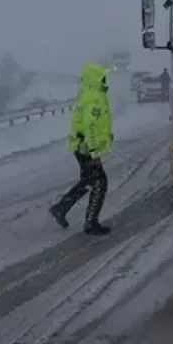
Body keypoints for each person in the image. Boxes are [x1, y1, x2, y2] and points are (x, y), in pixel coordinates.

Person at [50, 62, 114, 235]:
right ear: (95, 78)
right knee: (100, 182)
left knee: (88, 180)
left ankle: (61, 208)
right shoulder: (94, 98)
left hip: (82, 146)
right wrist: (93, 151)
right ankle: (90, 223)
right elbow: (90, 126)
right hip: (86, 148)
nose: (105, 80)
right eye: (102, 77)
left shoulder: (91, 94)